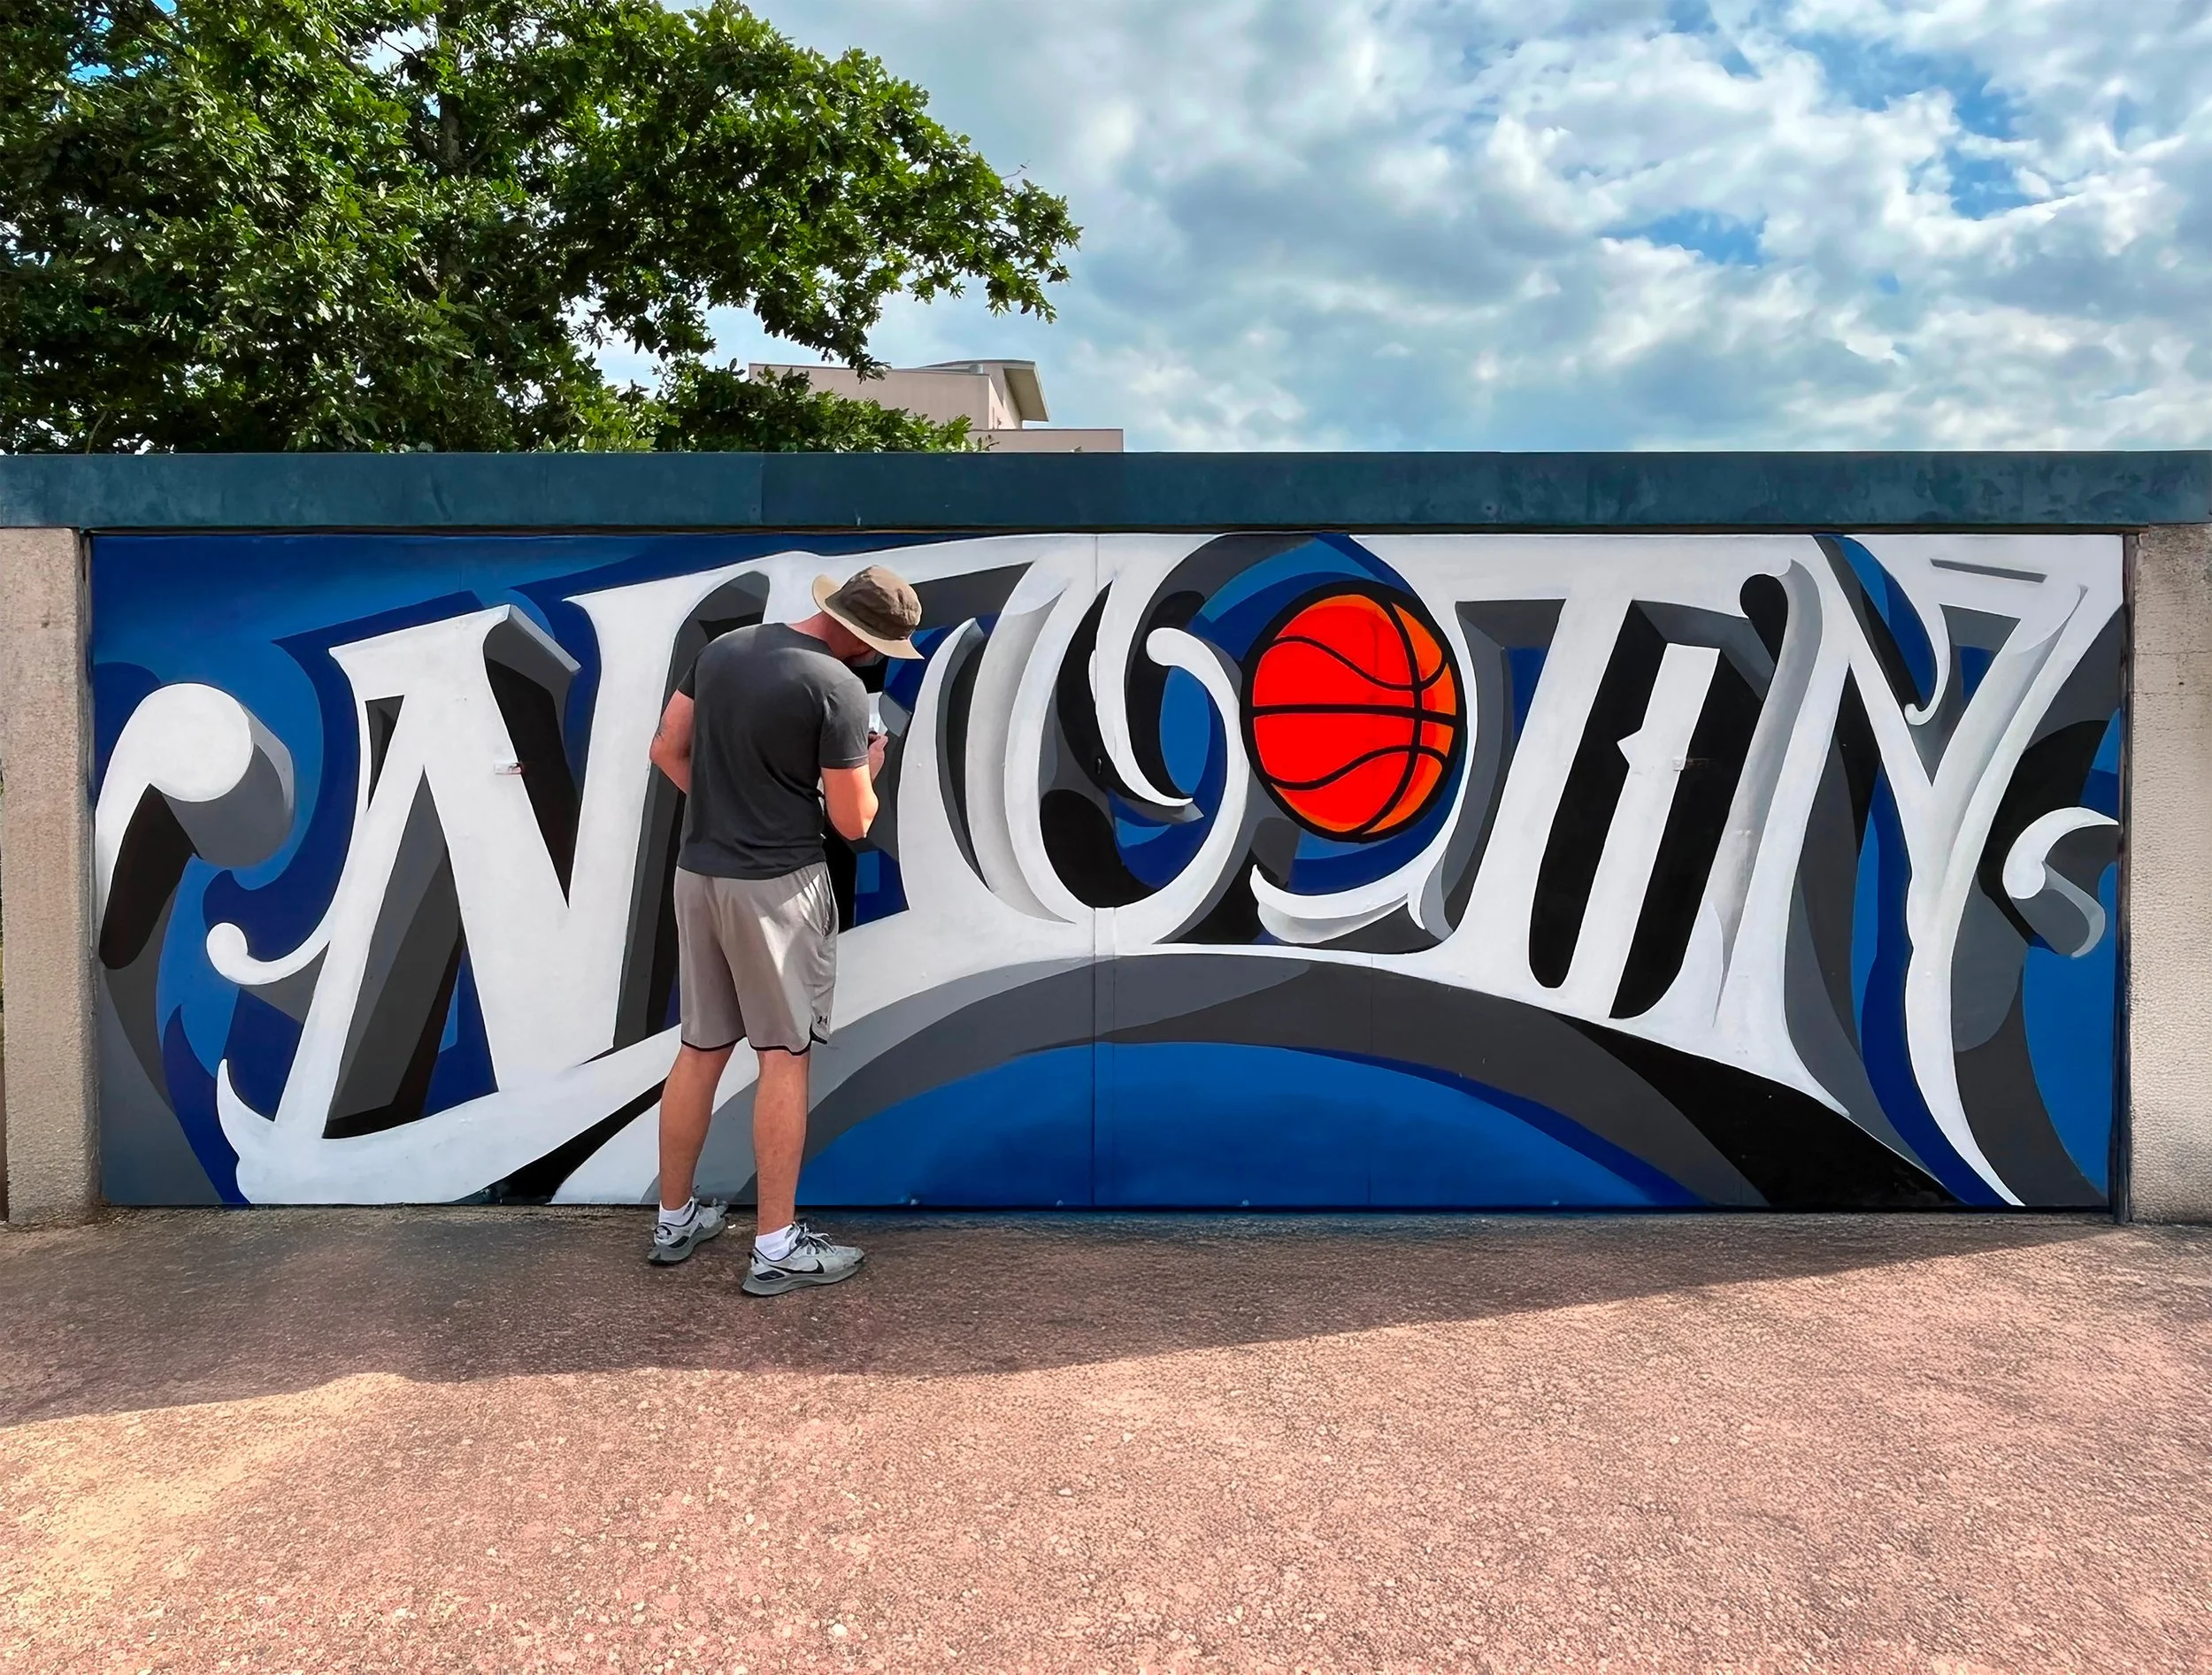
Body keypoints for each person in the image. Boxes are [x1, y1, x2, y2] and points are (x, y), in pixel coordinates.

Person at [643, 565, 923, 1295]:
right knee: (784, 1055)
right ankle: (775, 1246)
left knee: (700, 1047)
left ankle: (674, 1220)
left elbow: (666, 749)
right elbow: (853, 820)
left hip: (699, 874)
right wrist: (871, 764)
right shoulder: (838, 688)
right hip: (776, 886)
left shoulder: (724, 650)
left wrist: (730, 810)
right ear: (865, 638)